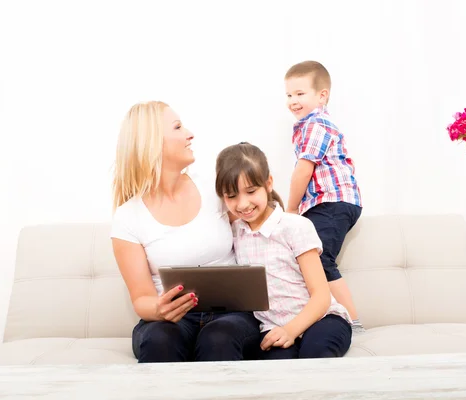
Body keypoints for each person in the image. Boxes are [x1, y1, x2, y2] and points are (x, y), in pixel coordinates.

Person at [110, 101, 261, 362]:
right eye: (178, 127)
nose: (190, 134)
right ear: (152, 143)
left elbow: (259, 224)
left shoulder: (215, 189)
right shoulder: (127, 217)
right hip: (171, 320)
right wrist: (158, 309)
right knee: (159, 340)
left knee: (219, 338)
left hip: (232, 315)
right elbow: (142, 298)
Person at [214, 142, 352, 359]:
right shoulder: (234, 232)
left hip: (322, 319)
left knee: (315, 353)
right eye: (231, 196)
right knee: (277, 367)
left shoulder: (295, 226)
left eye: (251, 191)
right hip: (273, 328)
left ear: (268, 183)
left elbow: (321, 296)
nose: (242, 204)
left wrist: (292, 330)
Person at [284, 60, 365, 333]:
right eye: (289, 95)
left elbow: (304, 168)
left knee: (318, 258)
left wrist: (291, 209)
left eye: (300, 94)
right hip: (329, 203)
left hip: (333, 202)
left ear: (322, 95)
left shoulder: (316, 124)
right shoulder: (309, 125)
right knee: (305, 258)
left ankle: (353, 321)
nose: (293, 101)